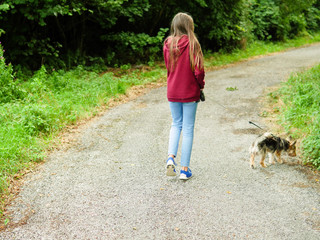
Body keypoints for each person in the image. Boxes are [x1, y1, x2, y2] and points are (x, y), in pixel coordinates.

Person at [163, 12, 205, 180]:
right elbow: (199, 70)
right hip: (189, 92)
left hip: (172, 91)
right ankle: (184, 170)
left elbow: (168, 68)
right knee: (187, 129)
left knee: (176, 124)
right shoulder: (193, 43)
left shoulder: (167, 44)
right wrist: (200, 86)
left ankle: (170, 158)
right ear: (189, 26)